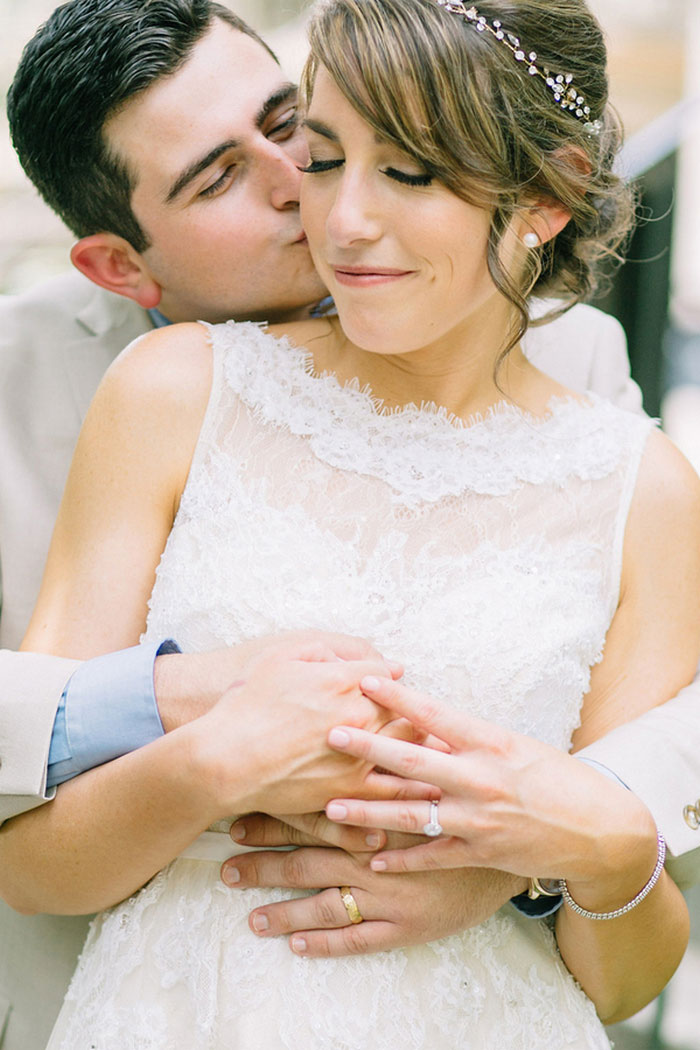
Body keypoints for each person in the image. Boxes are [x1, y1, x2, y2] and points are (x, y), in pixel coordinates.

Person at [2, 0, 698, 1046]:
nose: (326, 211)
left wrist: (538, 866)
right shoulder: (154, 387)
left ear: (542, 199)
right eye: (221, 177)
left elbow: (622, 937)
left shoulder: (614, 437)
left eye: (294, 134)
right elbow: (29, 847)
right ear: (122, 265)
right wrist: (195, 734)